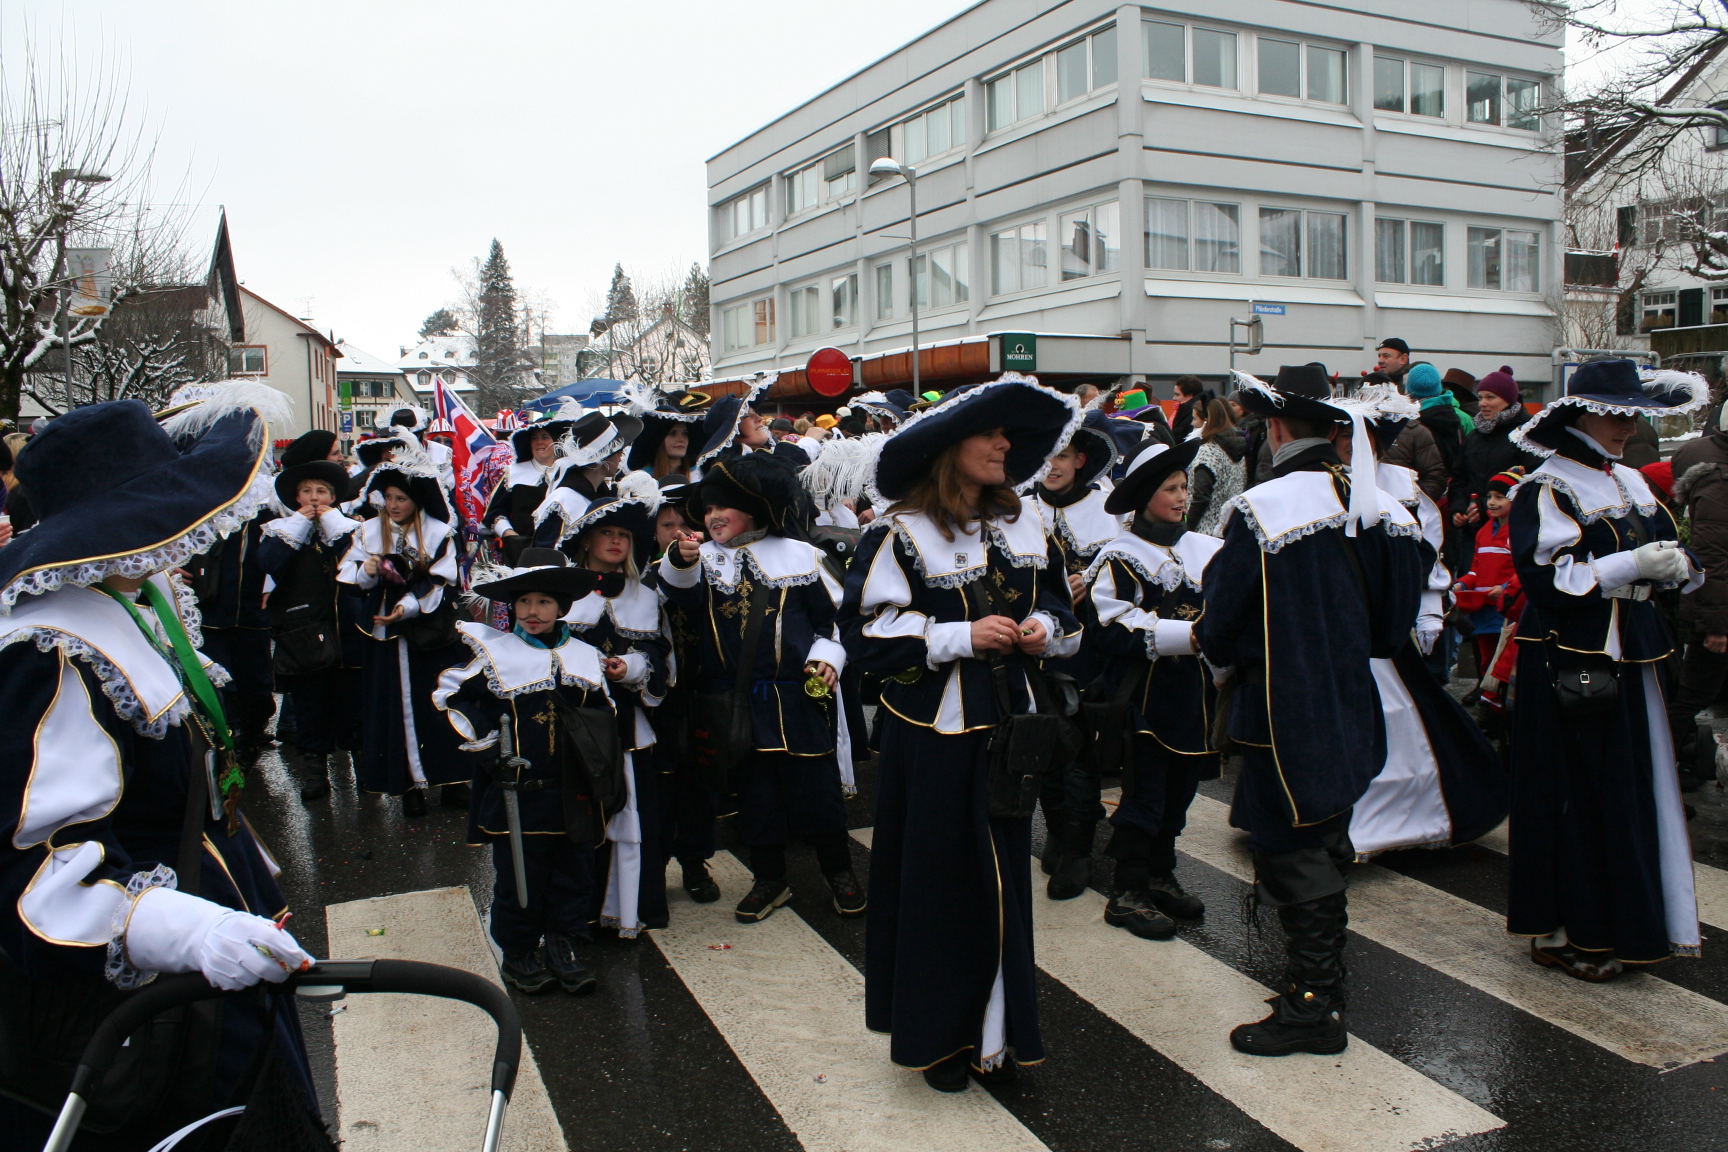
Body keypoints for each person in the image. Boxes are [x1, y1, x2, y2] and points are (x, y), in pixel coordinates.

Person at [0, 397, 318, 1149]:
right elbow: (38, 872)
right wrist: (190, 930)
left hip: (215, 919)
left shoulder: (142, 595)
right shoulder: (49, 647)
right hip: (145, 986)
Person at [838, 377, 1082, 1091]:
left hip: (1013, 730)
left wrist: (1042, 630)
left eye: (1009, 435)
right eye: (991, 434)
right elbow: (865, 636)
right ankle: (939, 1039)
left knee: (1002, 883)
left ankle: (996, 1039)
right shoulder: (899, 532)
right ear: (951, 446)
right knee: (941, 887)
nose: (1006, 445)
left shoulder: (1028, 524)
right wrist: (958, 635)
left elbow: (1066, 613)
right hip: (934, 737)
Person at [1199, 365, 1424, 1057]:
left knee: (1293, 846)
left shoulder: (1264, 508)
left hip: (1280, 705)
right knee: (1326, 837)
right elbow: (1394, 629)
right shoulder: (1386, 509)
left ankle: (1314, 1005)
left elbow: (1220, 625)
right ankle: (1316, 988)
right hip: (1351, 698)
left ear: (1274, 427)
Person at [1506, 360, 1707, 980]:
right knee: (1578, 790)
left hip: (1638, 649)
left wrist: (1678, 566)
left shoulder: (1630, 480)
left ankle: (1627, 923)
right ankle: (1575, 928)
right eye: (1615, 415)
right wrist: (1631, 566)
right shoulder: (1548, 486)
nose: (1627, 428)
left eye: (1633, 416)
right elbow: (1546, 581)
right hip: (1573, 655)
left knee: (1632, 789)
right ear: (1580, 414)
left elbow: (1669, 547)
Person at [657, 453, 861, 923]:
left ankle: (839, 871)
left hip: (796, 698)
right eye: (707, 509)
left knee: (817, 791)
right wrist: (679, 561)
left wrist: (828, 658)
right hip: (734, 703)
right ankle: (770, 879)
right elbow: (677, 599)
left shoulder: (803, 557)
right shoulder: (698, 561)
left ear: (755, 509)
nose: (712, 517)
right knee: (755, 796)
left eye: (722, 506)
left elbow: (840, 620)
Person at [435, 551, 621, 994]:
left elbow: (604, 712)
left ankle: (562, 946)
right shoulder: (495, 654)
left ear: (562, 607)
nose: (531, 611)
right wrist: (488, 748)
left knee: (573, 874)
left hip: (573, 792)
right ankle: (518, 952)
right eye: (523, 602)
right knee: (521, 877)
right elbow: (452, 695)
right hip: (520, 791)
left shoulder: (586, 656)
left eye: (543, 602)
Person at [1336, 388, 1507, 860]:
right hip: (1344, 628)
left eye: (1367, 438)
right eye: (1348, 438)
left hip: (1391, 627)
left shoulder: (1403, 485)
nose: (1357, 448)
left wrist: (1430, 605)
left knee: (1409, 719)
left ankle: (1415, 814)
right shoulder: (1324, 484)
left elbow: (1427, 549)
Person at [1088, 438, 1218, 940]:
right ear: (1144, 497)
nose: (1183, 497)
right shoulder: (1121, 556)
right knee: (1145, 794)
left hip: (1194, 693)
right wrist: (1185, 636)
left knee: (1180, 790)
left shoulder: (1204, 548)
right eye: (1171, 489)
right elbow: (1108, 626)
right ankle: (1128, 889)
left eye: (1184, 487)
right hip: (1144, 693)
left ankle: (1161, 874)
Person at [560, 493, 673, 937]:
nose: (615, 541)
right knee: (582, 817)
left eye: (623, 534)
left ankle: (627, 910)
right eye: (605, 532)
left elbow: (662, 658)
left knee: (631, 815)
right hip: (575, 725)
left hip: (627, 726)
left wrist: (631, 668)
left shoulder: (646, 597)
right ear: (586, 541)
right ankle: (579, 913)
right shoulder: (561, 593)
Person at [338, 438, 470, 817]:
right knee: (393, 709)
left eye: (401, 498)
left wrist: (407, 606)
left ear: (417, 500)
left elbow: (443, 581)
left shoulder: (438, 533)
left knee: (439, 703)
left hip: (430, 635)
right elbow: (349, 575)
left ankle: (451, 781)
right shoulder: (367, 531)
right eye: (389, 498)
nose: (393, 505)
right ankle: (408, 784)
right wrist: (367, 570)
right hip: (385, 639)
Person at [1031, 410, 1124, 899]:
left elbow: (1128, 571)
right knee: (1045, 742)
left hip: (1088, 647)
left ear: (1080, 460)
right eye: (1047, 456)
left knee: (1080, 748)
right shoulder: (1020, 509)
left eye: (1063, 456)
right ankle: (1057, 830)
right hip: (1036, 644)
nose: (1053, 465)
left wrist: (1090, 581)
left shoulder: (1108, 509)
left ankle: (1079, 847)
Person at [257, 430, 364, 801]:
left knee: (354, 707)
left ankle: (365, 773)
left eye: (321, 491)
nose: (314, 498)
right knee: (311, 709)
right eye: (307, 492)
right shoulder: (278, 531)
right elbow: (269, 564)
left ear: (333, 497)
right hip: (304, 634)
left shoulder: (351, 528)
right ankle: (315, 776)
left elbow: (358, 563)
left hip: (349, 632)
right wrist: (299, 525)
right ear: (296, 497)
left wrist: (334, 524)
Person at [647, 475, 722, 903]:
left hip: (701, 690)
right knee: (661, 783)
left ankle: (694, 861)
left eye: (685, 525)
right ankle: (654, 865)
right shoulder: (640, 578)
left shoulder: (713, 572)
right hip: (659, 700)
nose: (677, 533)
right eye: (666, 525)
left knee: (699, 780)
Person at [1668, 407, 1728, 789]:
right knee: (1692, 695)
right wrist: (1716, 626)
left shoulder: (1707, 460)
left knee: (1692, 694)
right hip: (1719, 610)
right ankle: (1662, 777)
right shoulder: (1719, 478)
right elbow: (1713, 556)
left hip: (1714, 605)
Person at [1453, 470, 1525, 695]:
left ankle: (1501, 702)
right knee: (1486, 660)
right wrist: (1463, 584)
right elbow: (1476, 569)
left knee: (1504, 660)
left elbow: (1523, 570)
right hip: (1483, 608)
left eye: (1499, 497)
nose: (1492, 502)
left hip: (1506, 610)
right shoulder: (1484, 532)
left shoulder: (1520, 532)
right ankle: (1488, 700)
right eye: (1490, 496)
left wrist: (1504, 589)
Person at [532, 411, 642, 549]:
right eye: (617, 451)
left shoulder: (604, 494)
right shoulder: (563, 500)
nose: (621, 457)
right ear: (603, 458)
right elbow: (545, 549)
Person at [1458, 367, 1541, 538]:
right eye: (1480, 397)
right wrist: (1458, 509)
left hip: (1512, 530)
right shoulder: (1474, 436)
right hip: (1473, 530)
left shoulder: (1526, 435)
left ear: (1508, 400)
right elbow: (1459, 477)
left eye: (1490, 397)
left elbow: (1533, 482)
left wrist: (1486, 506)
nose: (1483, 403)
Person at [485, 416, 571, 564]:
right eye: (534, 438)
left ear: (556, 441)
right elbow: (495, 512)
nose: (539, 442)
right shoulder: (514, 473)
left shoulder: (569, 472)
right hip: (522, 552)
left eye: (545, 437)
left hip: (562, 550)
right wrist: (509, 534)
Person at [688, 377, 773, 479]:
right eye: (747, 415)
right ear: (731, 429)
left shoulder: (773, 455)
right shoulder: (729, 473)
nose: (759, 418)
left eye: (756, 413)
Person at [1185, 397, 1247, 536]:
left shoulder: (1207, 451)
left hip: (1204, 531)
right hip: (1228, 529)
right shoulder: (1239, 452)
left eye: (1194, 418)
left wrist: (1187, 528)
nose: (1192, 423)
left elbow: (1201, 497)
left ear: (1206, 420)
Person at [627, 390, 708, 478]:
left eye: (685, 433)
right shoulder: (644, 479)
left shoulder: (698, 476)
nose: (681, 439)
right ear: (659, 439)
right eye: (672, 434)